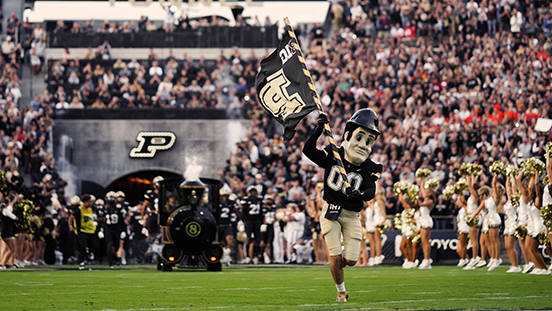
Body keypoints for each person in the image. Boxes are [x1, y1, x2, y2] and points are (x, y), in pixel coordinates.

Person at [303, 109, 382, 303]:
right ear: (348, 135)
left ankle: (338, 267)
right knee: (336, 257)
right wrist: (318, 130)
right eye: (360, 137)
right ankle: (341, 292)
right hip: (331, 211)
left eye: (368, 141)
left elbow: (371, 191)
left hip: (352, 215)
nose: (363, 145)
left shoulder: (369, 166)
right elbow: (308, 151)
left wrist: (360, 194)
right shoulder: (334, 153)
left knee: (351, 260)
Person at [469, 175, 504, 271]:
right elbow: (479, 211)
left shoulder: (495, 198)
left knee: (495, 240)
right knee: (492, 240)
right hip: (489, 220)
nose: (495, 188)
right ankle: (493, 258)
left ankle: (497, 258)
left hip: (495, 219)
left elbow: (493, 184)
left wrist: (495, 175)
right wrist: (471, 218)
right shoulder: (487, 200)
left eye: (497, 187)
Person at [71, 194, 96, 270]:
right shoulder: (79, 210)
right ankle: (81, 262)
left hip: (90, 231)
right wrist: (71, 226)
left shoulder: (91, 209)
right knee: (83, 246)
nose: (90, 203)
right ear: (84, 202)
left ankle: (88, 255)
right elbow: (71, 218)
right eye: (89, 202)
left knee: (92, 247)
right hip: (82, 230)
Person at [415, 178, 435, 269]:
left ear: (430, 193)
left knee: (425, 241)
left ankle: (427, 260)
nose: (424, 192)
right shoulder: (425, 199)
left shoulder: (430, 201)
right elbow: (421, 187)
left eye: (427, 191)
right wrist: (423, 178)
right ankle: (426, 259)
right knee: (423, 242)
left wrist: (415, 197)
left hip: (427, 221)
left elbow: (421, 205)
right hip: (423, 221)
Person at [463, 174, 482, 270]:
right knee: (473, 240)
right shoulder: (473, 196)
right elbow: (472, 185)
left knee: (474, 240)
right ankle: (475, 257)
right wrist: (473, 175)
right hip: (473, 218)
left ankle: (475, 258)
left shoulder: (475, 196)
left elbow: (470, 186)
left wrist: (467, 175)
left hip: (474, 219)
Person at [503, 174, 521, 273]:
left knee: (511, 245)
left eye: (511, 191)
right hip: (507, 224)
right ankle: (513, 264)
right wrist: (508, 178)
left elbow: (513, 187)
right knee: (507, 246)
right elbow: (507, 187)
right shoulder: (508, 201)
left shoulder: (515, 201)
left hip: (513, 224)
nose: (509, 192)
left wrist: (513, 177)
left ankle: (516, 265)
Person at [451, 192, 469, 267]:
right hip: (460, 229)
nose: (458, 202)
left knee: (463, 245)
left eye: (459, 200)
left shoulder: (466, 207)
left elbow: (463, 202)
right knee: (458, 249)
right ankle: (467, 260)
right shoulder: (461, 209)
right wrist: (451, 195)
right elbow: (454, 202)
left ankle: (464, 259)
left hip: (465, 229)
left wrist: (460, 193)